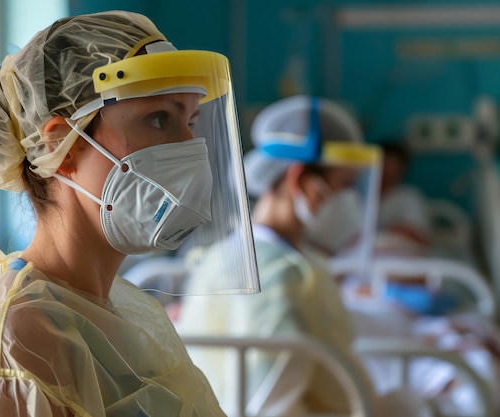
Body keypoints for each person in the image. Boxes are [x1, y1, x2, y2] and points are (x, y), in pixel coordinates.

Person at [0, 11, 260, 416]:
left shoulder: (118, 311)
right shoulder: (11, 360)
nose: (188, 147)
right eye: (158, 119)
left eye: (190, 120)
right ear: (63, 146)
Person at [177, 95, 432, 417]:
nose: (348, 203)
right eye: (342, 187)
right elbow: (269, 405)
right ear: (299, 179)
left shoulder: (286, 260)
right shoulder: (271, 274)